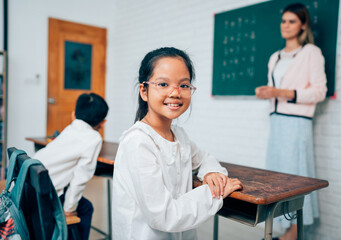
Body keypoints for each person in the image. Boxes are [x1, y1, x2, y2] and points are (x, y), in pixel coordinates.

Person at [112, 47, 242, 240]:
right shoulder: (138, 142)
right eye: (163, 84)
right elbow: (163, 216)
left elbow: (205, 158)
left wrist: (211, 172)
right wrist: (214, 193)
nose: (175, 93)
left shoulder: (179, 135)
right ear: (144, 91)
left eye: (184, 85)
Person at [255, 3, 327, 240]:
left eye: (292, 21)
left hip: (297, 123)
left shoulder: (311, 53)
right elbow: (275, 91)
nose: (286, 26)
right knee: (276, 179)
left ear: (303, 25)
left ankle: (294, 233)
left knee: (296, 177)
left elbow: (319, 92)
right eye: (283, 21)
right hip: (277, 123)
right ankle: (280, 231)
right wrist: (267, 93)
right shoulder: (274, 57)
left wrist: (283, 93)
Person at [33, 92, 109, 240]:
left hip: (30, 186)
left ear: (74, 114)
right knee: (86, 208)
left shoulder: (70, 128)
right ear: (102, 122)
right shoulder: (94, 139)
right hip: (45, 195)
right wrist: (69, 209)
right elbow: (80, 179)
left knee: (81, 203)